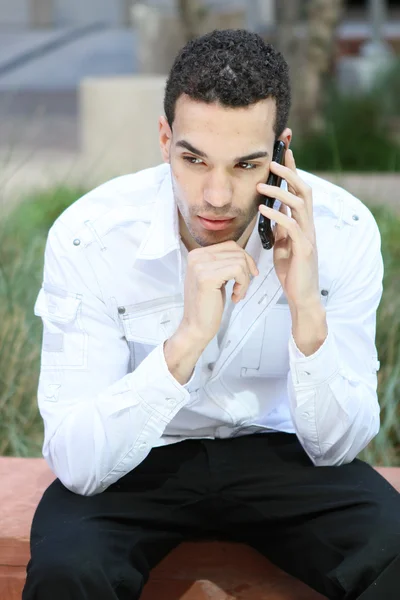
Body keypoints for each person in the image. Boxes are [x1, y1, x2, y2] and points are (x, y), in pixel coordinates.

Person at [23, 29, 399, 600]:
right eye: (193, 159)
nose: (217, 196)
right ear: (164, 137)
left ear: (281, 150)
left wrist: (306, 308)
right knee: (67, 572)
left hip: (283, 455)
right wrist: (185, 344)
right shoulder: (92, 236)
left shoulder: (344, 233)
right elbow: (79, 462)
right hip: (142, 456)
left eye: (246, 164)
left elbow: (337, 448)